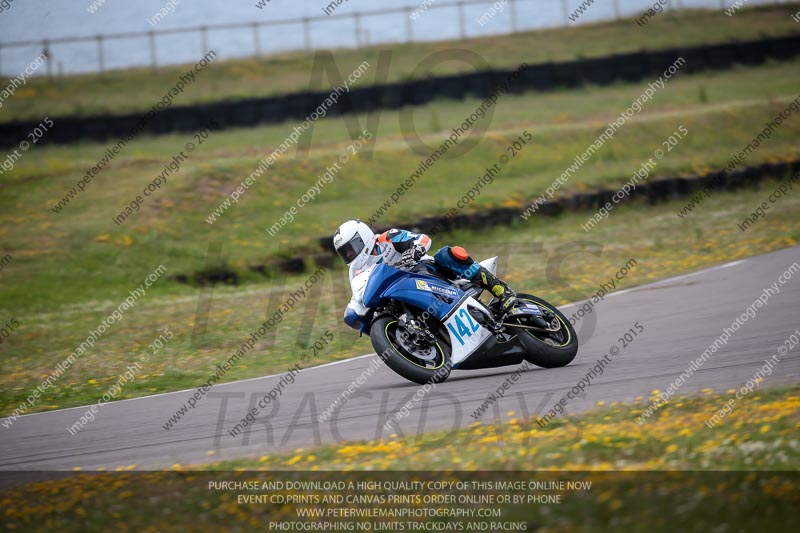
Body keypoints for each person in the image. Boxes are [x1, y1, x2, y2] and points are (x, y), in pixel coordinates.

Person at [333, 219, 518, 330]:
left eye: (351, 248)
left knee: (445, 255)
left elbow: (422, 239)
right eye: (345, 253)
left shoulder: (387, 238)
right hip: (399, 295)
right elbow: (359, 294)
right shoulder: (355, 272)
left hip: (427, 272)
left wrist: (414, 250)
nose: (349, 254)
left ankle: (501, 290)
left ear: (363, 237)